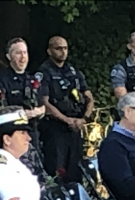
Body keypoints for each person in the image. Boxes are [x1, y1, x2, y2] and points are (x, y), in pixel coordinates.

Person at [38, 36, 94, 183]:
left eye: (65, 48)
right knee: (57, 170)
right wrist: (66, 119)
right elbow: (45, 103)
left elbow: (89, 97)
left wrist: (84, 119)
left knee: (75, 170)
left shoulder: (74, 72)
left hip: (76, 126)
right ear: (49, 51)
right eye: (58, 48)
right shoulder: (44, 73)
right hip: (55, 127)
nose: (63, 52)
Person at [0, 37, 47, 172]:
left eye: (25, 53)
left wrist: (36, 112)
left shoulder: (32, 79)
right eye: (18, 53)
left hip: (34, 133)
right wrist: (26, 114)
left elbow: (43, 106)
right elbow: (2, 110)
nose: (22, 57)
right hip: (13, 136)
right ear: (9, 56)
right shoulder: (2, 81)